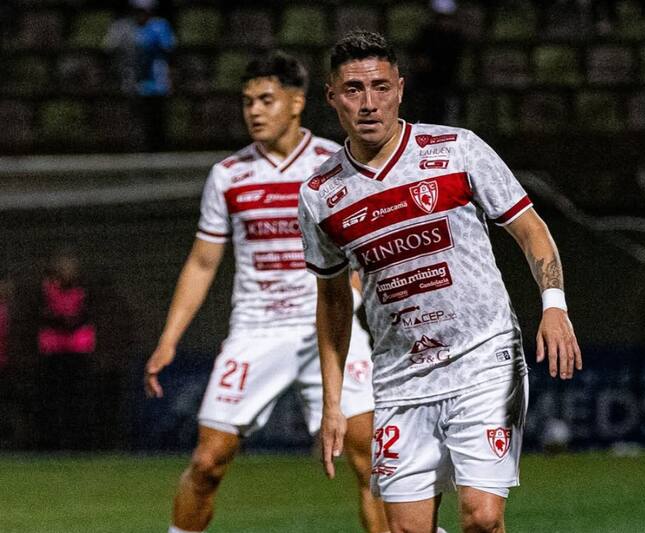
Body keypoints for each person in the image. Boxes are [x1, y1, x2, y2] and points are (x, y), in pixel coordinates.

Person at [298, 31, 581, 533]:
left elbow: (531, 229)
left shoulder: (456, 149)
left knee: (482, 517)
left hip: (484, 357)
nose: (369, 103)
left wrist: (554, 304)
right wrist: (333, 402)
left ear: (400, 89)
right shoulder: (321, 194)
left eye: (380, 87)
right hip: (399, 375)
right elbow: (334, 302)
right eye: (354, 89)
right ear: (332, 96)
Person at [144, 52, 387, 533]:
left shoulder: (334, 164)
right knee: (208, 461)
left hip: (328, 327)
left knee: (372, 460)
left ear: (296, 103)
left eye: (266, 99)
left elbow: (366, 242)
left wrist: (357, 293)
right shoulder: (229, 175)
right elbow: (203, 261)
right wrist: (169, 339)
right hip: (256, 330)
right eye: (247, 101)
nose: (254, 111)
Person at [35, 247, 99, 450]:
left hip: (78, 349)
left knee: (78, 398)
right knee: (53, 398)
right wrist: (62, 320)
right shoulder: (46, 289)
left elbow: (87, 314)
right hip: (53, 349)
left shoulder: (83, 289)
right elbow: (42, 315)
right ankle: (52, 443)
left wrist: (71, 321)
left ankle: (80, 443)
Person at [104, 0, 175, 151]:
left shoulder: (160, 26)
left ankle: (160, 148)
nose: (141, 15)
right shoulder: (124, 27)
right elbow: (110, 48)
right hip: (133, 82)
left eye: (145, 11)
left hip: (157, 82)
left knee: (157, 118)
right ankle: (137, 147)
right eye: (138, 11)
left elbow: (168, 48)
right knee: (136, 117)